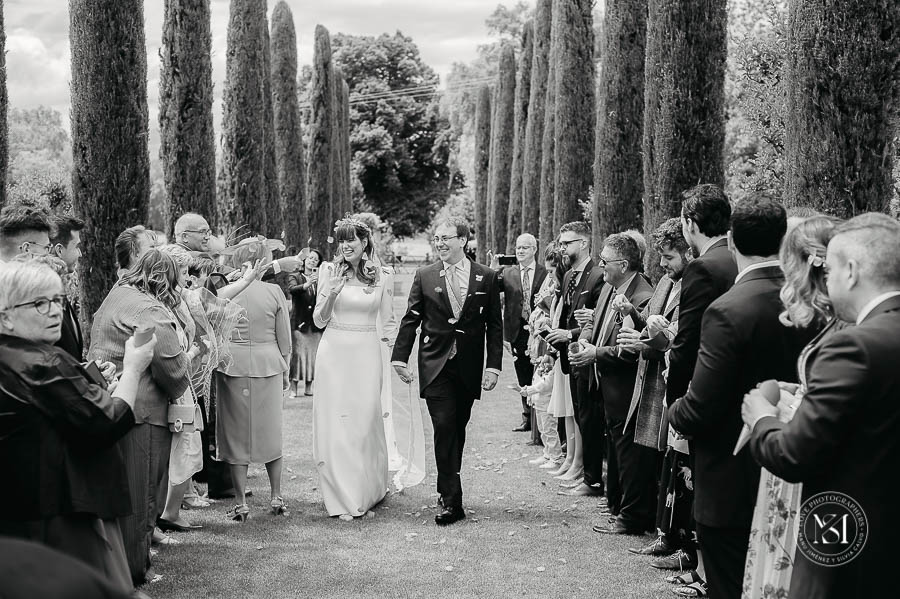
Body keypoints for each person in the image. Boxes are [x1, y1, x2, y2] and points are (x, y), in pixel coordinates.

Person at [744, 213, 900, 599]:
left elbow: (795, 454)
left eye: (829, 271)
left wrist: (762, 418)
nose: (825, 281)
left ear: (851, 271)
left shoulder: (853, 345)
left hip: (846, 538)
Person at [668, 195, 810, 599]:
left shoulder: (727, 310)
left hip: (731, 477)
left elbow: (701, 405)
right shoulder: (808, 302)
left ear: (731, 241)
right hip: (793, 469)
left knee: (729, 584)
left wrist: (675, 411)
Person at [0, 260, 157, 594]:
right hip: (62, 514)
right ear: (6, 315)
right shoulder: (44, 362)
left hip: (18, 511)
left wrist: (90, 382)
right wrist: (133, 368)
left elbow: (54, 410)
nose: (54, 311)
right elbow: (108, 421)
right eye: (39, 303)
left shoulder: (16, 357)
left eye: (58, 300)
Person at [740, 215, 842, 599]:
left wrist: (765, 416)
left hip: (798, 451)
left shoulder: (845, 329)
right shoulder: (833, 320)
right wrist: (798, 391)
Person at [89, 249, 192, 585]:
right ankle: (136, 570)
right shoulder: (149, 309)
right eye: (174, 284)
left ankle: (123, 563)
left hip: (109, 401)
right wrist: (191, 356)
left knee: (122, 494)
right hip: (142, 411)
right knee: (142, 493)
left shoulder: (117, 294)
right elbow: (171, 367)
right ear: (162, 281)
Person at [392, 218, 503, 526]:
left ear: (463, 240)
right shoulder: (424, 275)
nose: (439, 243)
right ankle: (451, 499)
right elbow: (411, 318)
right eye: (437, 238)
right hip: (435, 364)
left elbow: (494, 326)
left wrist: (493, 366)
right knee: (443, 425)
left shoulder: (486, 276)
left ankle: (448, 487)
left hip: (468, 366)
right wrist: (400, 358)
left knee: (457, 428)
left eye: (446, 238)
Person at [656, 184, 737, 580]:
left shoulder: (703, 268)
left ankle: (705, 574)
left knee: (702, 487)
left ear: (690, 223)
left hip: (704, 391)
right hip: (737, 391)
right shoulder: (736, 259)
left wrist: (676, 406)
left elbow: (687, 344)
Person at [313, 217, 409, 519]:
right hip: (333, 353)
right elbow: (319, 320)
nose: (345, 246)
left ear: (364, 242)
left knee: (365, 421)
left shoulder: (383, 275)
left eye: (351, 239)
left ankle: (368, 489)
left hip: (367, 353)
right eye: (341, 240)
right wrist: (332, 291)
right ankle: (344, 497)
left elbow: (388, 321)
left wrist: (399, 357)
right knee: (336, 424)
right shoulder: (328, 271)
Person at [617, 218, 692, 558]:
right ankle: (663, 532)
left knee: (672, 461)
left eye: (669, 257)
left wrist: (643, 343)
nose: (662, 264)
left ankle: (672, 537)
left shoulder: (695, 284)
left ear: (688, 253)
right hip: (650, 380)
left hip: (672, 381)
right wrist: (632, 313)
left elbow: (680, 337)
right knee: (661, 457)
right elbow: (649, 317)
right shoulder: (664, 282)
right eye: (661, 256)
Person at [571, 233, 654, 531]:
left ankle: (632, 516)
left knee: (630, 455)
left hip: (627, 389)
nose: (600, 265)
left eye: (605, 261)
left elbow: (631, 350)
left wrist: (596, 354)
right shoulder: (609, 287)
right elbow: (596, 321)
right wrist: (585, 340)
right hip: (606, 387)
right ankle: (617, 506)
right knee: (617, 450)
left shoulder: (642, 296)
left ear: (624, 264)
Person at [215, 239, 291, 522]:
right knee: (270, 430)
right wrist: (286, 368)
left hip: (232, 365)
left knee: (235, 433)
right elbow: (284, 337)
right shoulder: (273, 291)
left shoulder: (225, 291)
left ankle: (240, 502)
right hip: (268, 363)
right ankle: (276, 495)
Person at [545, 221, 605, 498]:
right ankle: (583, 471)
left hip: (589, 358)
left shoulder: (598, 275)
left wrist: (569, 334)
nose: (562, 248)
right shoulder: (569, 275)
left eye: (567, 243)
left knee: (590, 419)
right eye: (561, 243)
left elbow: (600, 323)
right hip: (569, 357)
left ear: (583, 243)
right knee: (580, 416)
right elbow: (568, 315)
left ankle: (593, 479)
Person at [490, 233, 547, 433]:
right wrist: (493, 269)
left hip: (539, 331)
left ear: (534, 249)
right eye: (518, 247)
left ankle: (542, 418)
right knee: (522, 373)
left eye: (525, 247)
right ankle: (527, 417)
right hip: (516, 332)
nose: (520, 251)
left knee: (540, 373)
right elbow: (489, 289)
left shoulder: (544, 272)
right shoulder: (508, 273)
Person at [288, 248, 325, 397]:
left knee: (313, 355)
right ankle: (293, 388)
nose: (312, 261)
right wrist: (307, 284)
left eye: (316, 259)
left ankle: (309, 387)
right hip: (299, 322)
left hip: (314, 324)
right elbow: (292, 289)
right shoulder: (295, 276)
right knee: (297, 355)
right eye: (310, 258)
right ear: (304, 260)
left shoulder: (321, 279)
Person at [49, 214, 86, 359]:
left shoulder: (60, 290)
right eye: (76, 246)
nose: (80, 254)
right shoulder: (46, 300)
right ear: (59, 250)